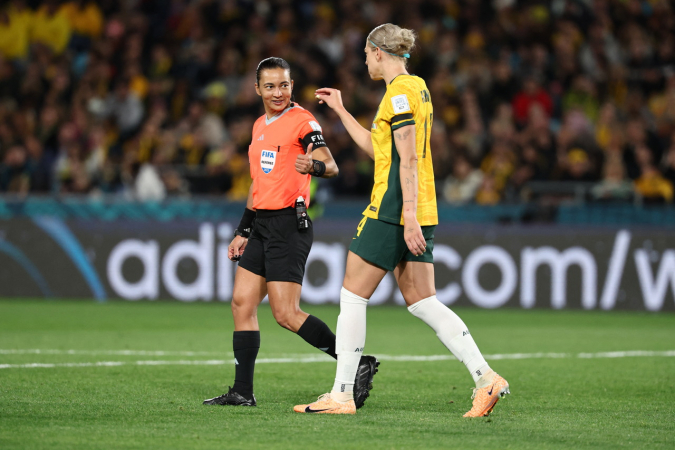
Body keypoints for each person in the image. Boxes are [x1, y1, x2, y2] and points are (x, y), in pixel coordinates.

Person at [294, 24, 510, 416]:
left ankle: (342, 394)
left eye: (365, 52)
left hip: (394, 208)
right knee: (424, 301)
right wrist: (341, 110)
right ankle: (486, 377)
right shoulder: (417, 88)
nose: (362, 59)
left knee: (352, 295)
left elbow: (407, 158)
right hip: (418, 206)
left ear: (379, 52)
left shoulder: (398, 96)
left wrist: (407, 216)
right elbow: (381, 151)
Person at [203, 57, 379, 407]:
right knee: (242, 303)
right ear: (257, 89)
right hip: (262, 225)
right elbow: (258, 184)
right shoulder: (258, 126)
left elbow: (330, 164)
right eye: (270, 86)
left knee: (285, 313)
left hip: (288, 224)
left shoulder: (302, 120)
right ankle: (242, 391)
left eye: (283, 85)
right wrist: (243, 230)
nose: (278, 92)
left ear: (292, 86)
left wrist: (313, 164)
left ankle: (357, 362)